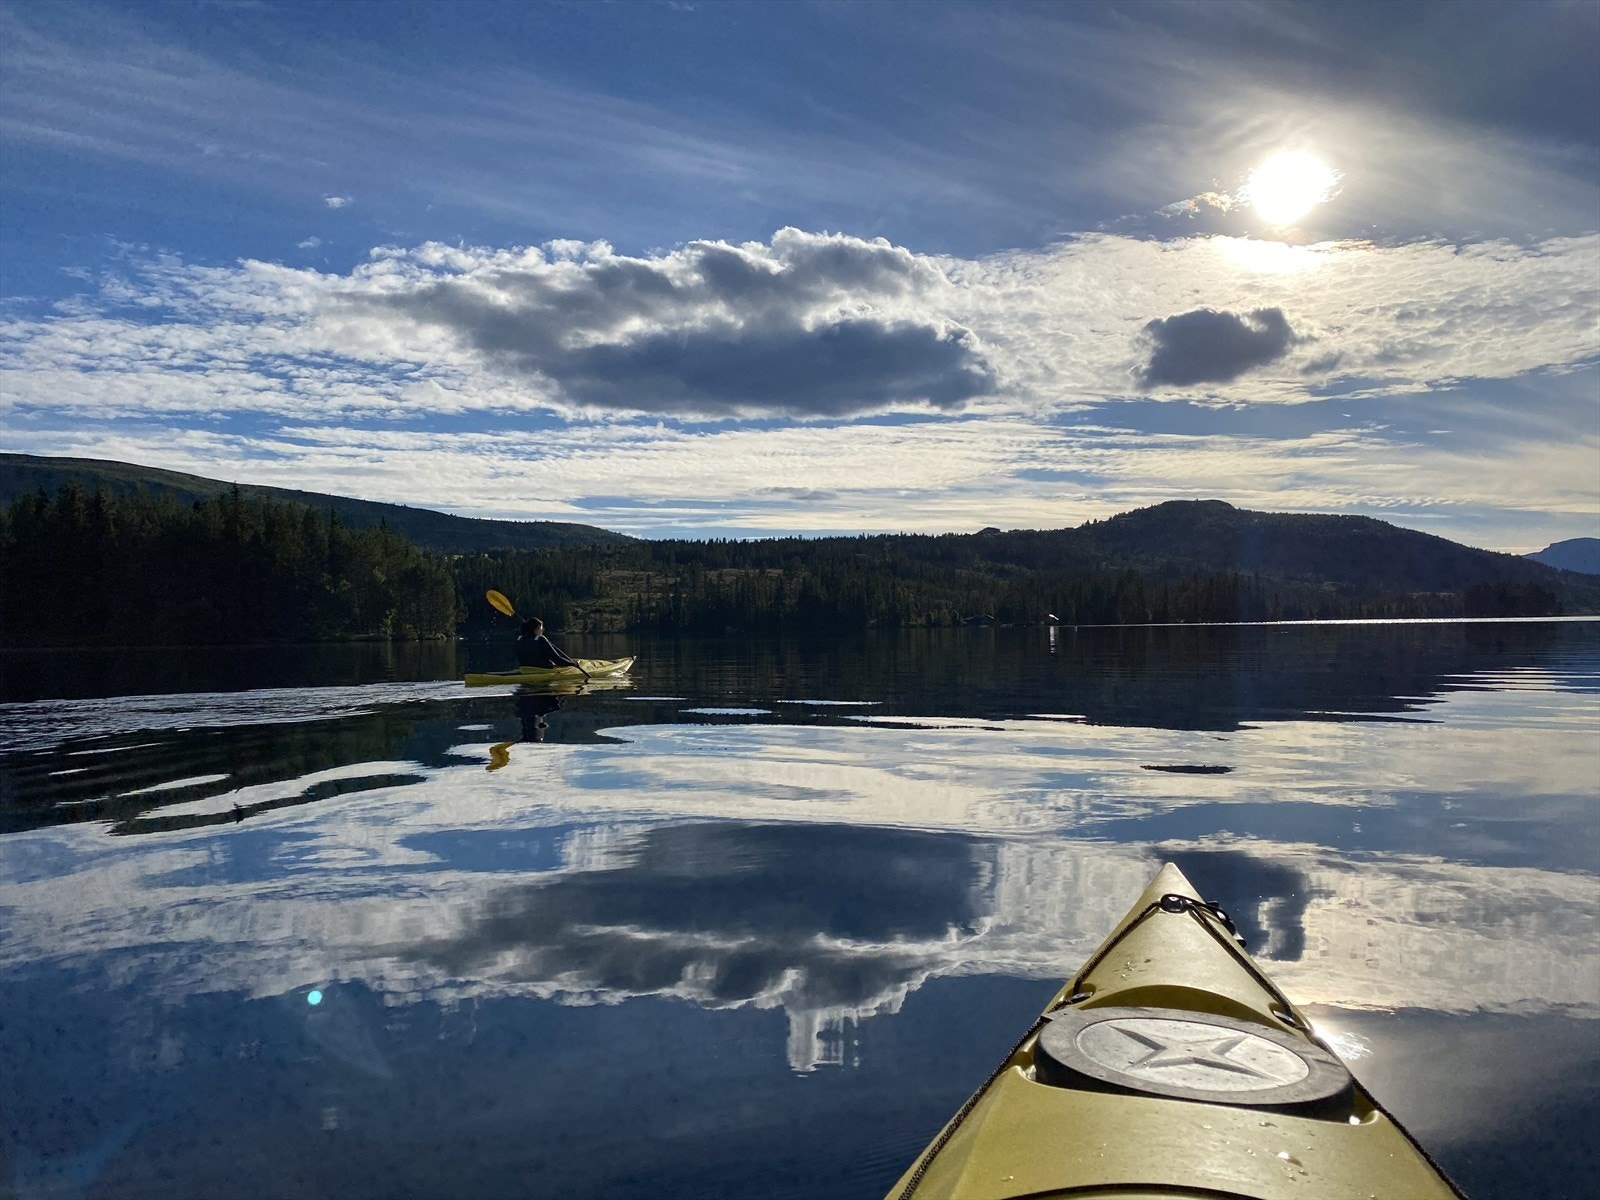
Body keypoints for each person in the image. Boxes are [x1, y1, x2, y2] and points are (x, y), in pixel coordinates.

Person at [516, 617, 584, 672]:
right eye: (541, 629)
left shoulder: (520, 639)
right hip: (543, 671)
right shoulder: (540, 639)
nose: (542, 631)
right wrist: (572, 663)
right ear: (537, 629)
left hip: (525, 670)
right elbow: (558, 660)